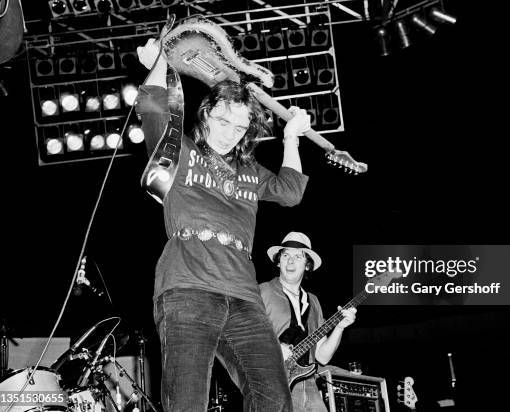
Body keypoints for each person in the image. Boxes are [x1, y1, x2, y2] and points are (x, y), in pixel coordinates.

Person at [135, 38, 312, 411]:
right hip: (188, 288)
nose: (231, 132)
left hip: (245, 298)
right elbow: (152, 105)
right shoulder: (180, 151)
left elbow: (290, 192)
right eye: (223, 120)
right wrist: (157, 65)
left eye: (240, 126)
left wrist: (292, 137)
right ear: (206, 113)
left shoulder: (249, 170)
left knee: (275, 398)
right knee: (187, 402)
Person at [260, 232, 357, 412]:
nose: (290, 261)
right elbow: (242, 334)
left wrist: (340, 328)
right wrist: (273, 346)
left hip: (308, 384)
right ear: (278, 261)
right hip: (272, 384)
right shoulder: (263, 291)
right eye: (286, 255)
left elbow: (322, 356)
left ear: (307, 265)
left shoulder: (313, 301)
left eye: (298, 257)